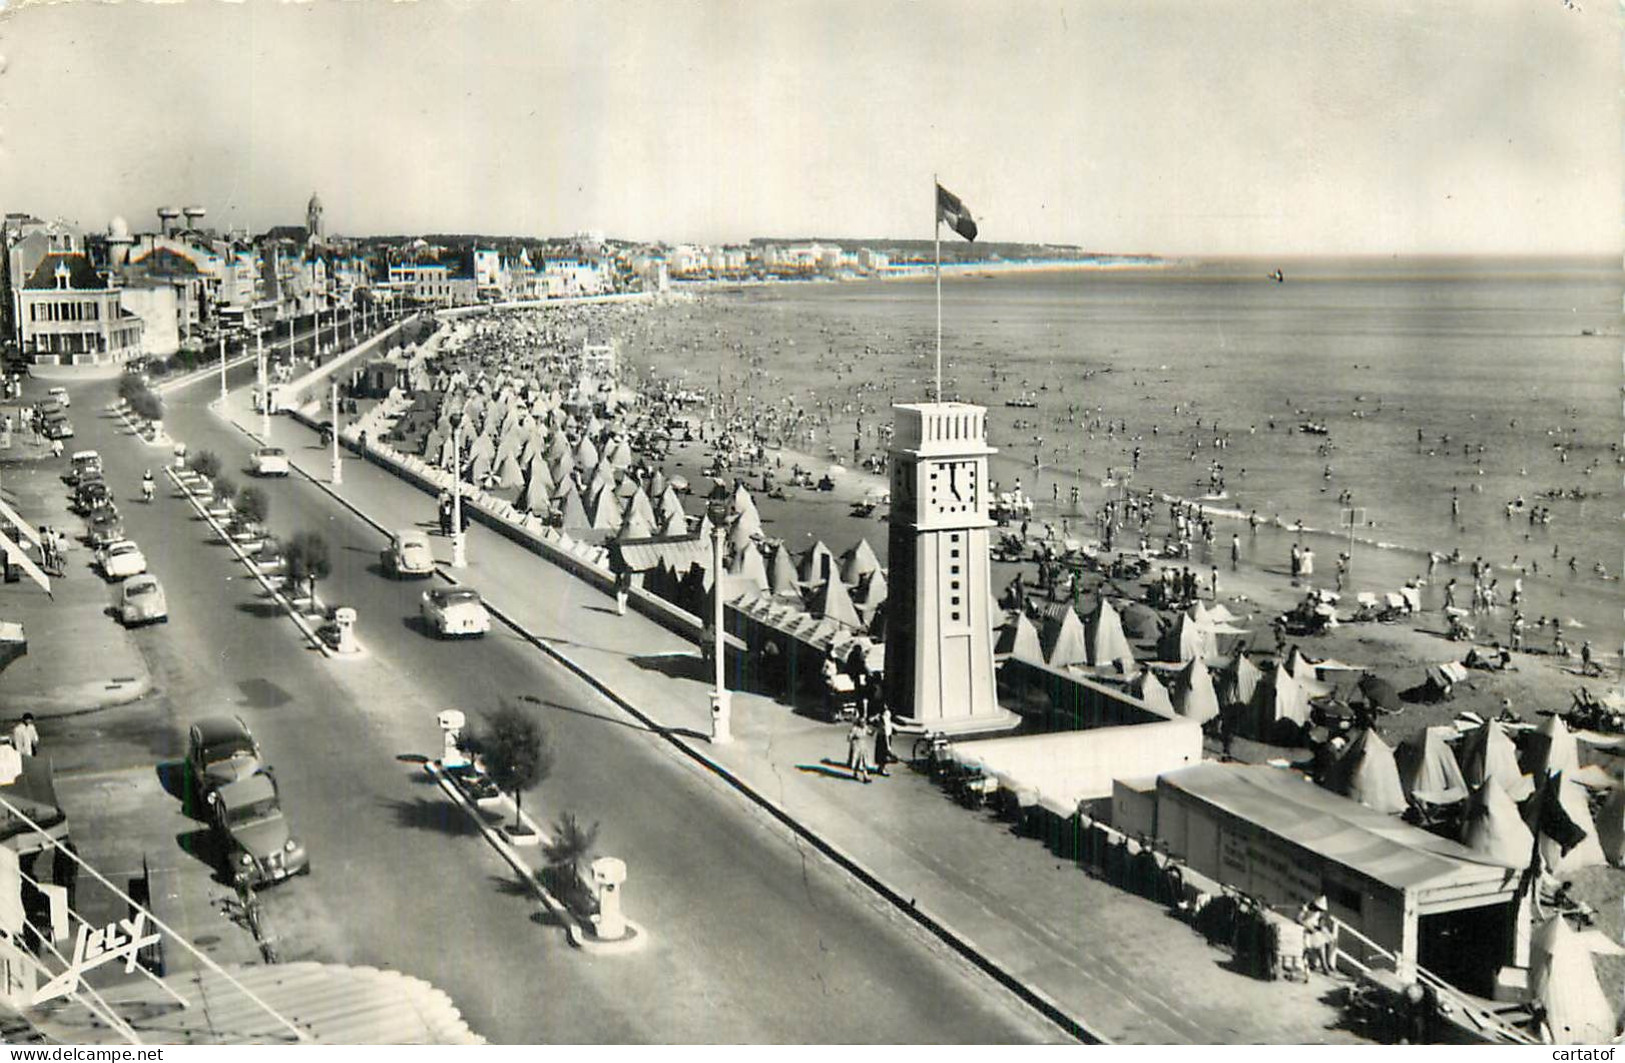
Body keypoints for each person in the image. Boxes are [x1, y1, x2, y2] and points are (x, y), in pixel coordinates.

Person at [872, 702, 894, 777]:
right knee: (884, 753)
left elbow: (877, 726)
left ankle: (880, 768)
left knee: (880, 753)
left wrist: (872, 732)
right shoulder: (883, 718)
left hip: (882, 735)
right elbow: (885, 731)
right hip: (884, 736)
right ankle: (882, 769)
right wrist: (888, 745)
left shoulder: (881, 716)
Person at [847, 717, 872, 783]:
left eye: (864, 722)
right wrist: (852, 737)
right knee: (857, 761)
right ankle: (855, 773)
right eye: (862, 722)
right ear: (859, 723)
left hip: (863, 747)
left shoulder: (865, 728)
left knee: (863, 761)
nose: (864, 723)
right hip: (856, 747)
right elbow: (849, 738)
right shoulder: (855, 729)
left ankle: (865, 776)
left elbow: (871, 733)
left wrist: (876, 728)